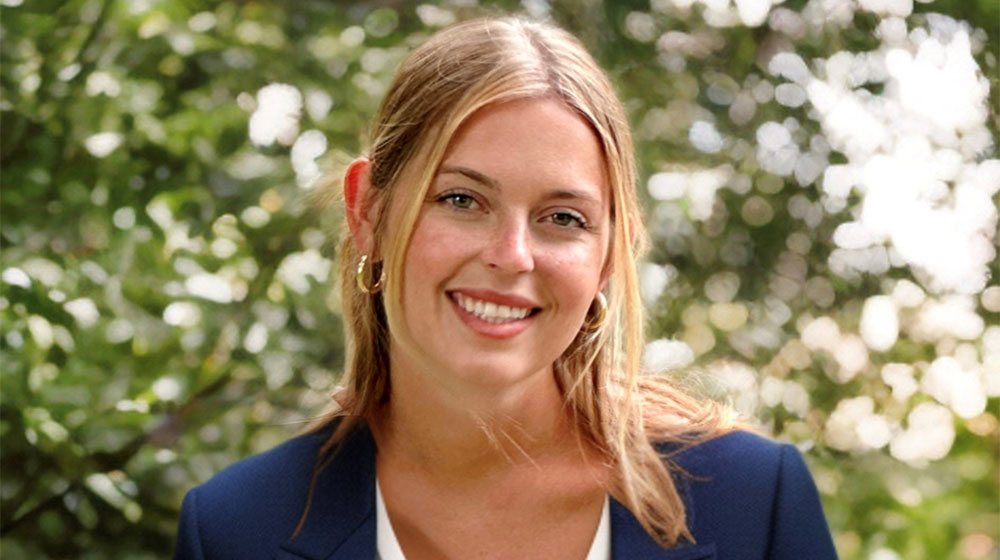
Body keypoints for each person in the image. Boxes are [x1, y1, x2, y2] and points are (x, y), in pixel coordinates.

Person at [173, 16, 837, 560]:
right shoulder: (236, 530)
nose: (512, 255)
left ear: (611, 255)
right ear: (368, 213)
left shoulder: (755, 504)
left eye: (563, 219)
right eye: (462, 199)